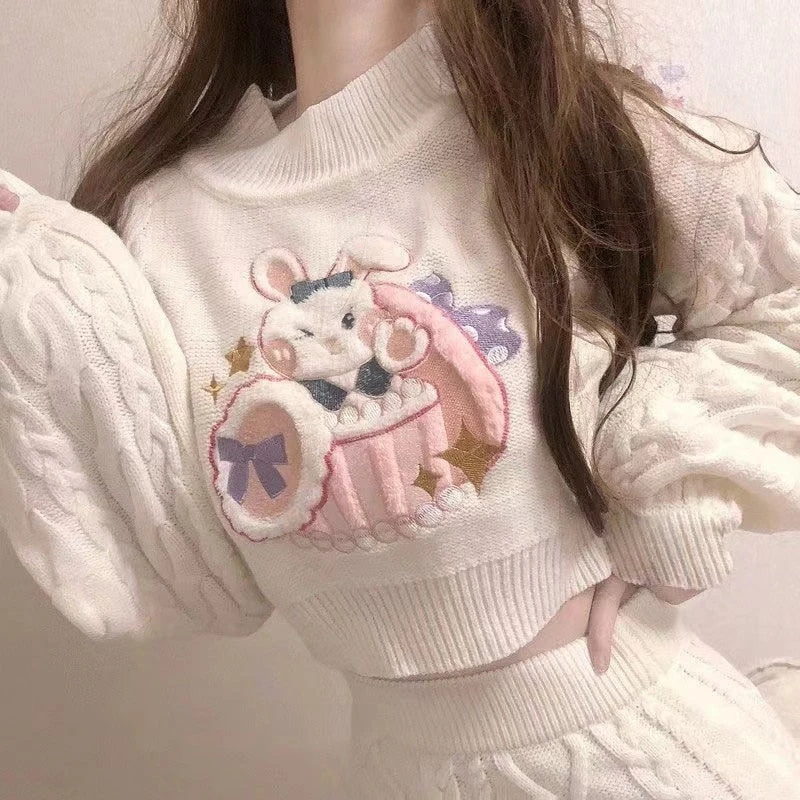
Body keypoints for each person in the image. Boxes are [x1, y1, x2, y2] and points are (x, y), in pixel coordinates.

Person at [1, 0, 799, 796]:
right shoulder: (165, 220)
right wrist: (44, 302)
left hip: (652, 754)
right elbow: (200, 581)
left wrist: (673, 481)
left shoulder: (552, 117)